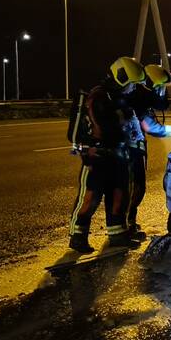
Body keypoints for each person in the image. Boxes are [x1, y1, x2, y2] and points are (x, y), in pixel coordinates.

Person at [67, 56, 145, 254]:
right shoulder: (98, 97)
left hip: (117, 156)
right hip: (98, 157)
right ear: (121, 77)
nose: (132, 88)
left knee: (119, 196)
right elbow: (104, 129)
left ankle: (118, 236)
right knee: (89, 198)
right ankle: (78, 237)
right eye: (131, 84)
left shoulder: (118, 98)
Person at [123, 63, 171, 240]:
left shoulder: (135, 99)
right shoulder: (138, 103)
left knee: (130, 189)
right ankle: (125, 227)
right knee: (133, 189)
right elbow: (154, 129)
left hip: (128, 152)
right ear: (151, 84)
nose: (161, 93)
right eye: (160, 88)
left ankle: (126, 224)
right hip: (129, 154)